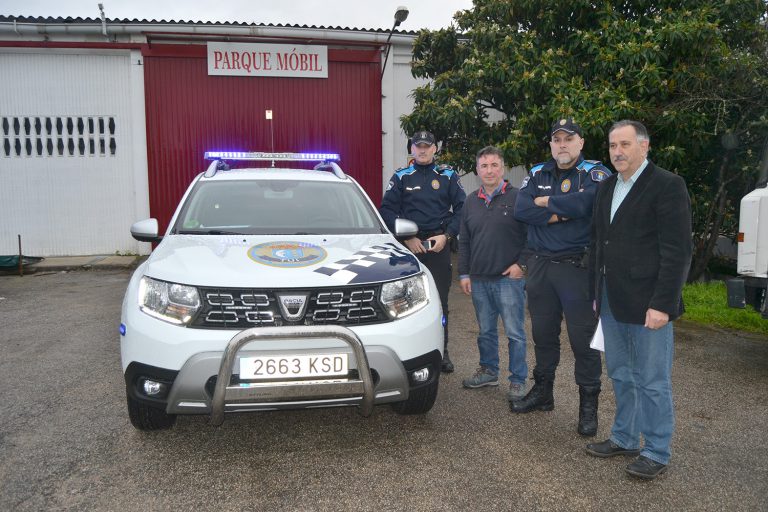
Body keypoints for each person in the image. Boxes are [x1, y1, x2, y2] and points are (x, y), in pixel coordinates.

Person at [586, 120, 692, 480]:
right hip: (612, 300)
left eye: (625, 144)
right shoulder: (606, 187)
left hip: (649, 304)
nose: (617, 151)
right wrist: (595, 295)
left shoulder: (667, 185)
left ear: (644, 147)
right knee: (620, 372)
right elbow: (600, 244)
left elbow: (677, 252)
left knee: (652, 379)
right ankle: (625, 437)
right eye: (613, 145)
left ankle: (657, 450)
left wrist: (663, 303)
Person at [511, 118, 610, 437]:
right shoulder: (538, 173)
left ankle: (588, 407)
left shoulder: (595, 173)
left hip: (576, 269)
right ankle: (543, 393)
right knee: (543, 334)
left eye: (569, 139)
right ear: (551, 144)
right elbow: (522, 209)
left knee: (583, 342)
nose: (562, 144)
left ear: (581, 143)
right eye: (557, 140)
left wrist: (546, 206)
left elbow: (589, 203)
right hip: (540, 268)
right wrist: (561, 212)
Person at [380, 130, 466, 373]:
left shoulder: (448, 176)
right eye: (418, 146)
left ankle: (442, 351)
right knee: (403, 301)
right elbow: (386, 210)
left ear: (435, 148)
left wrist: (447, 236)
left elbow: (462, 209)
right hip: (409, 248)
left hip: (438, 245)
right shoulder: (401, 177)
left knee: (440, 301)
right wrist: (407, 238)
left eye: (428, 146)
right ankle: (407, 352)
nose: (423, 150)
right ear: (412, 149)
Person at [458, 146, 528, 400]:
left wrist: (522, 264)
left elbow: (532, 236)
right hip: (479, 280)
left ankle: (518, 380)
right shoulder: (470, 201)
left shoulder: (519, 197)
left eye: (494, 165)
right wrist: (464, 273)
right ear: (477, 170)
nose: (489, 170)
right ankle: (488, 371)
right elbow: (464, 240)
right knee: (485, 331)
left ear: (503, 168)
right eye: (484, 166)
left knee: (515, 333)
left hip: (508, 281)